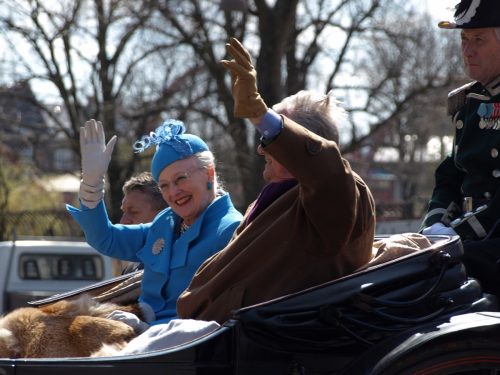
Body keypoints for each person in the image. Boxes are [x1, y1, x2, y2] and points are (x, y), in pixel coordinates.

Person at [176, 38, 376, 324]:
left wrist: (261, 114)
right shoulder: (275, 199)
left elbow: (326, 169)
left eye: (272, 140)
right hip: (221, 335)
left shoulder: (342, 194)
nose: (261, 149)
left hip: (266, 345)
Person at [66, 119, 242, 326]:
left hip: (183, 347)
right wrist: (91, 185)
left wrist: (147, 330)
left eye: (181, 179)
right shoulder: (165, 222)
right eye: (164, 185)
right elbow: (107, 239)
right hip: (143, 335)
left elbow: (218, 311)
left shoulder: (231, 229)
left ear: (209, 173)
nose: (174, 192)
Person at [420, 0, 500, 296]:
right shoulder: (470, 102)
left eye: (479, 40)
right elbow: (451, 175)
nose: (467, 50)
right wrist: (434, 227)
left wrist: (458, 235)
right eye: (464, 39)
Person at [118, 172, 168, 274]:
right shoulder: (130, 268)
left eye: (133, 212)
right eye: (124, 212)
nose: (123, 222)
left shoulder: (176, 264)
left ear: (162, 214)